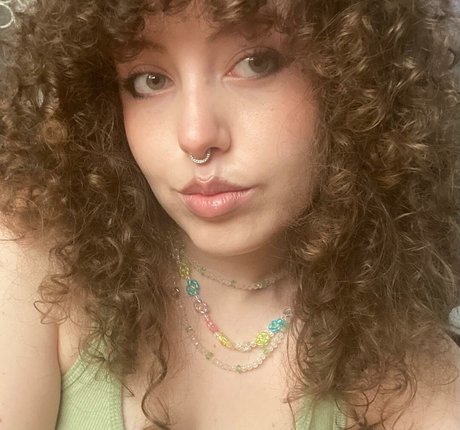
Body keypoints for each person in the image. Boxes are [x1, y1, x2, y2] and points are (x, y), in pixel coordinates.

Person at [0, 0, 459, 429]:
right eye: (150, 80)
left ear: (354, 79)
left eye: (256, 63)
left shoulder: (408, 367)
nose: (196, 136)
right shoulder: (39, 260)